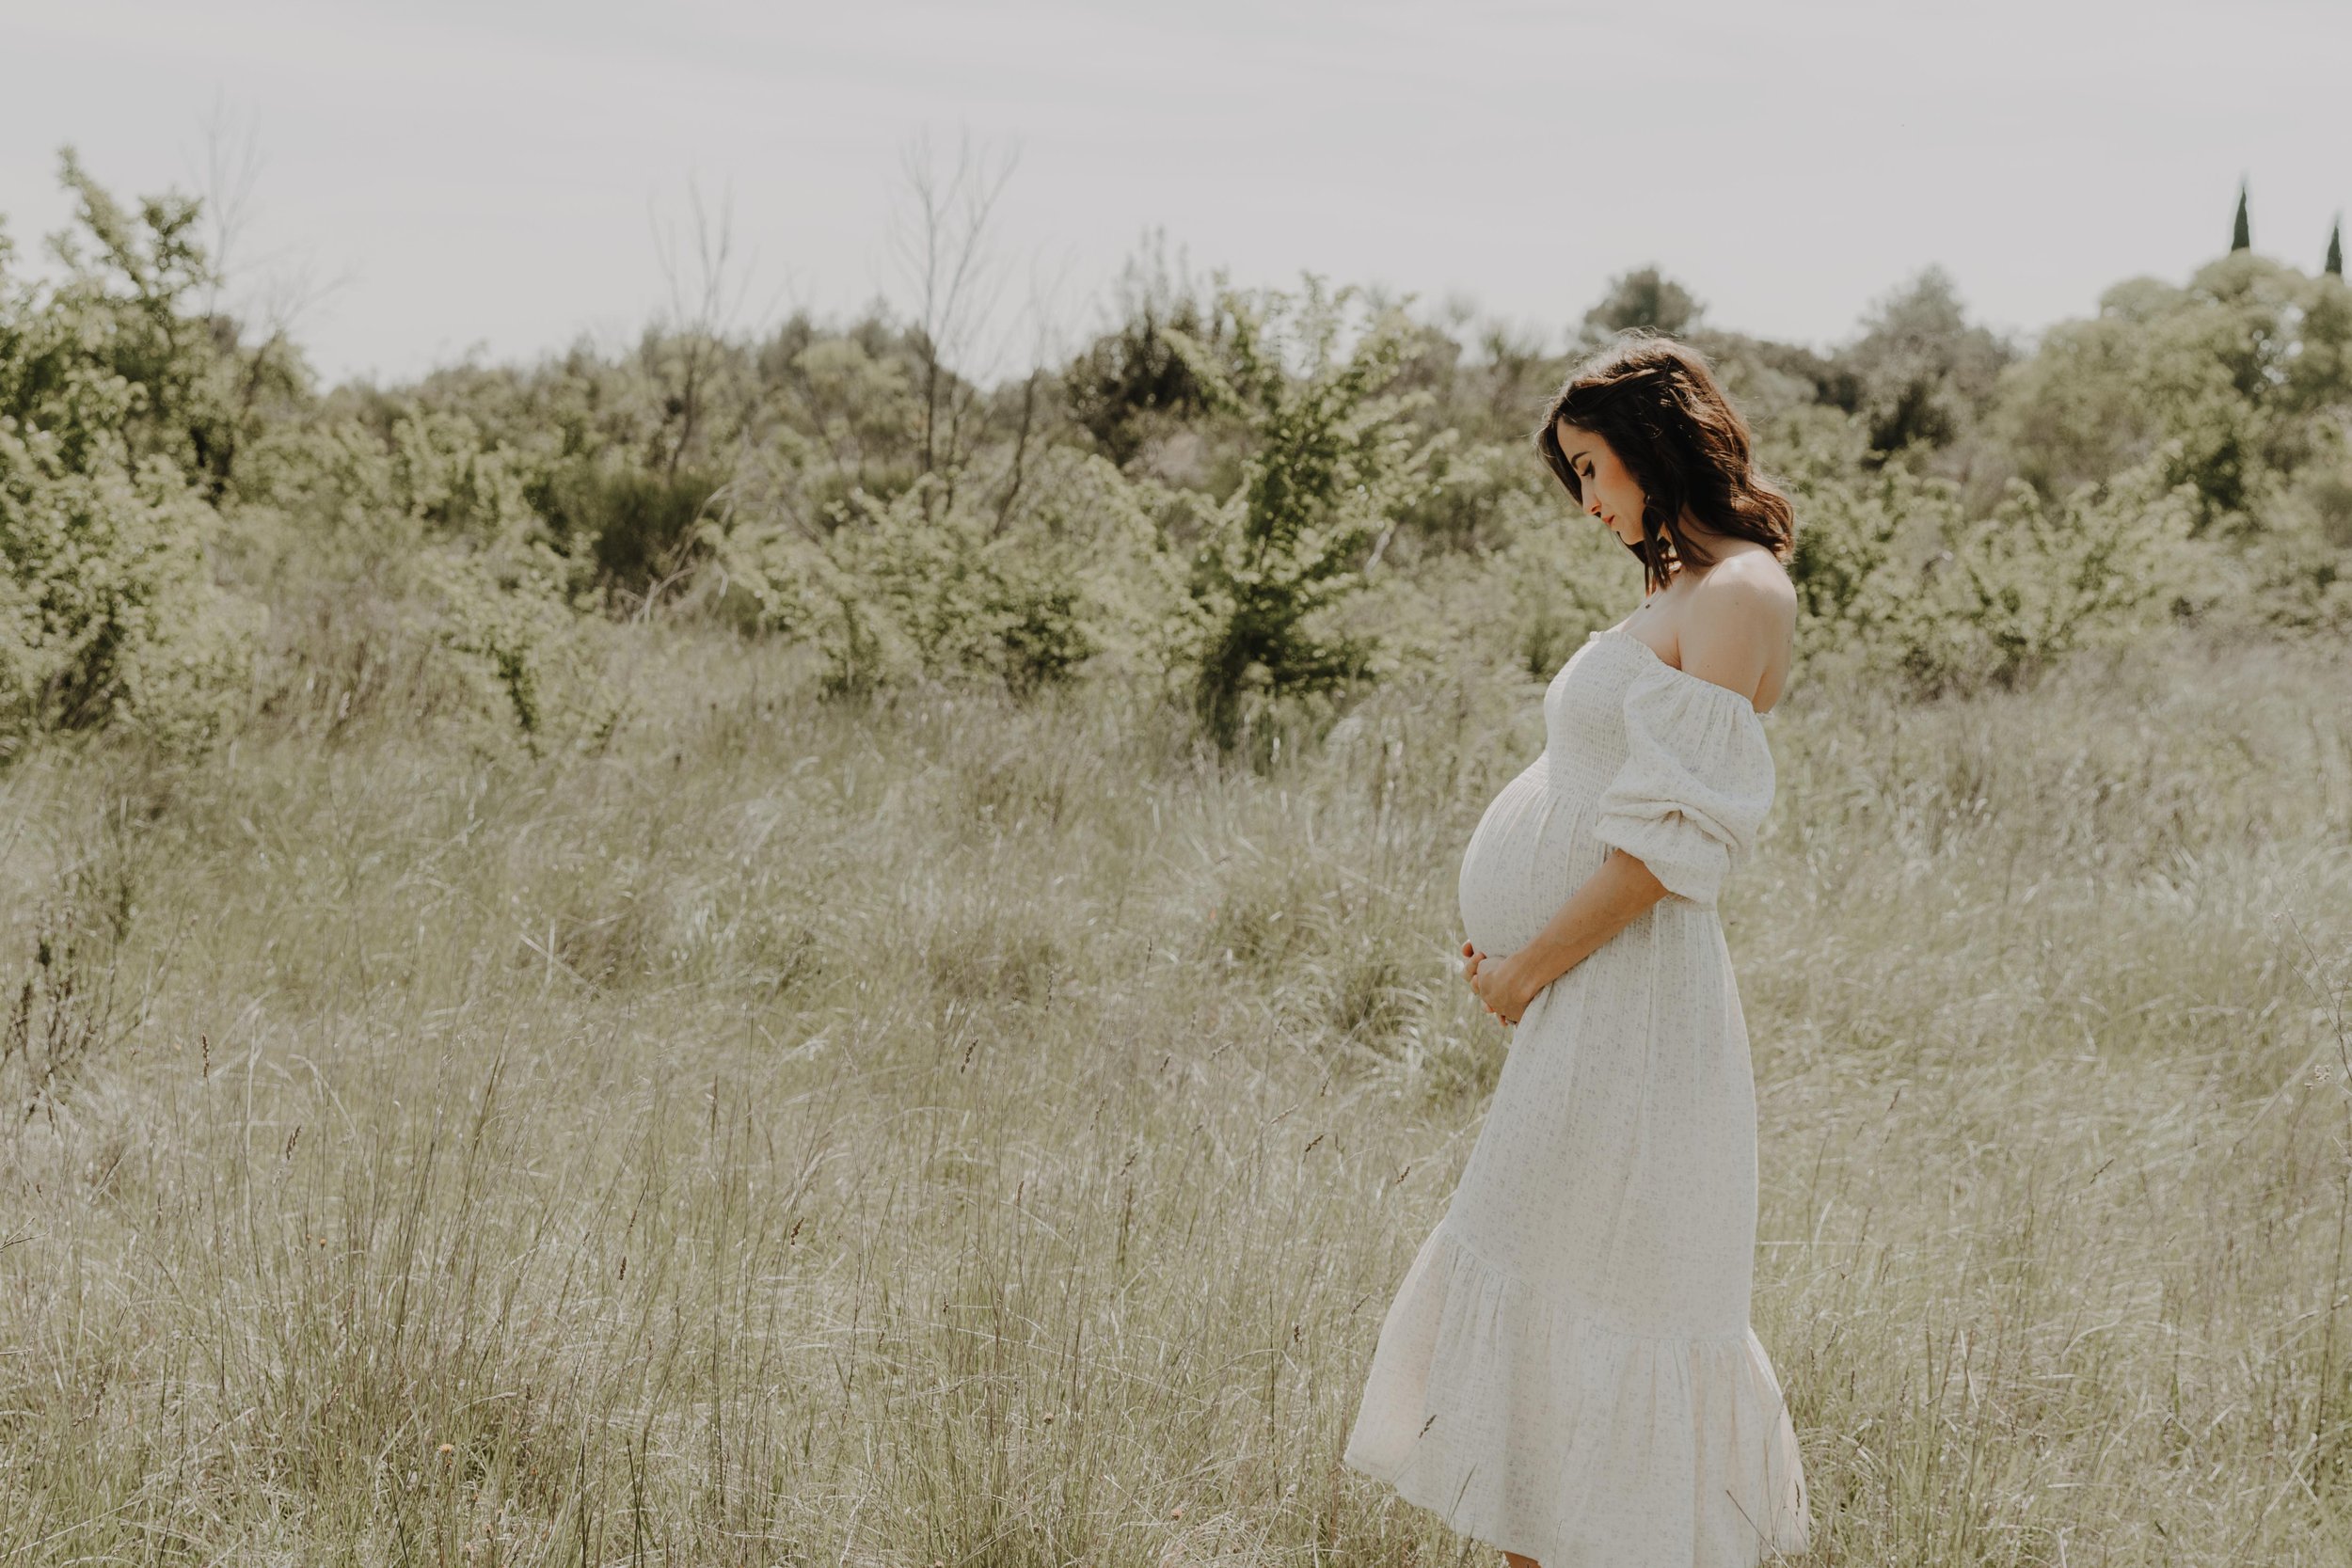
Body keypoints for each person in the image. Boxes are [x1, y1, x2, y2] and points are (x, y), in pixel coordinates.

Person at [1341, 333, 1810, 1568]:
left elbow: (1664, 853)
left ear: (1659, 446)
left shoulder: (1742, 594)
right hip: (1588, 1005)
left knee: (1604, 1299)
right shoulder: (1673, 597)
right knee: (1550, 1297)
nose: (1590, 503)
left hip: (1634, 1011)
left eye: (1594, 469)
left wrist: (1525, 965)